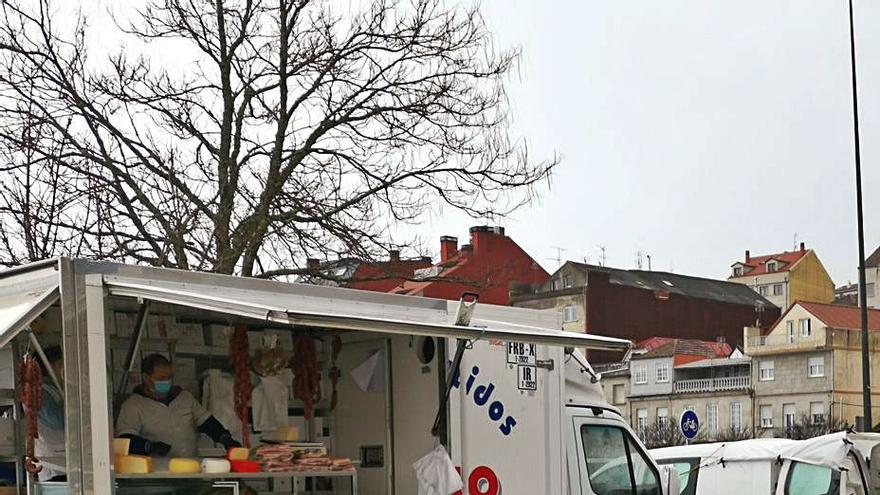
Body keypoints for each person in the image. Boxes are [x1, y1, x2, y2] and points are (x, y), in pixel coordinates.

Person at [116, 354, 241, 457]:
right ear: (146, 378)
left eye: (169, 377)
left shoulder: (184, 397)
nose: (166, 382)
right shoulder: (133, 405)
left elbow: (206, 422)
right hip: (156, 474)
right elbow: (125, 439)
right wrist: (149, 446)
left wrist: (224, 438)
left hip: (190, 469)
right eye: (161, 378)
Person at [34, 345, 66, 481]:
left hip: (67, 461)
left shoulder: (56, 389)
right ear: (50, 366)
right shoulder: (40, 392)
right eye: (60, 364)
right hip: (52, 464)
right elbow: (58, 420)